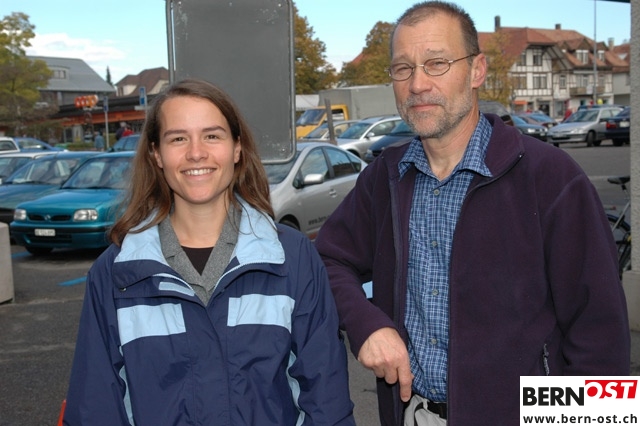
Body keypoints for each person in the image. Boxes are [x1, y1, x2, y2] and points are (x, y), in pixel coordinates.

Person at [315, 2, 630, 425]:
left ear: (477, 70)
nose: (418, 84)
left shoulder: (551, 178)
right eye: (403, 68)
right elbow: (328, 260)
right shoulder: (384, 178)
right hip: (414, 414)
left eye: (437, 63)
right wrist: (366, 323)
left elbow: (602, 335)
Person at [64, 78, 355, 425]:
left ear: (237, 148)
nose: (196, 152)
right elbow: (95, 406)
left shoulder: (292, 258)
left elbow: (326, 399)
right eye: (178, 138)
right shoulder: (117, 273)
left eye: (212, 136)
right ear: (156, 154)